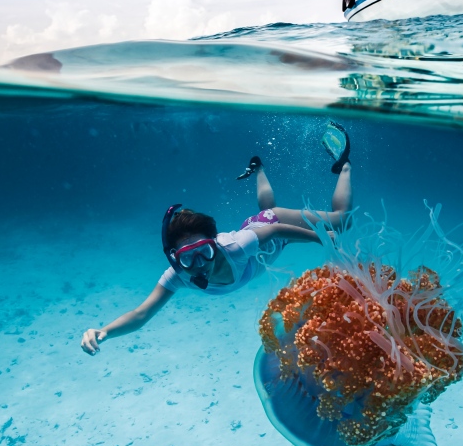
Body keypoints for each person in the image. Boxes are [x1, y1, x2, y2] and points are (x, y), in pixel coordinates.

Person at [80, 122, 353, 355]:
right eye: (188, 257)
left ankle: (344, 164)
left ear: (215, 244)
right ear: (175, 259)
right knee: (265, 211)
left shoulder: (235, 247)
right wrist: (104, 332)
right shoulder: (178, 275)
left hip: (270, 225)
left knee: (341, 222)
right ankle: (258, 168)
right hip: (258, 233)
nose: (199, 264)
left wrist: (320, 239)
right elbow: (141, 314)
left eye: (204, 251)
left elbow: (275, 230)